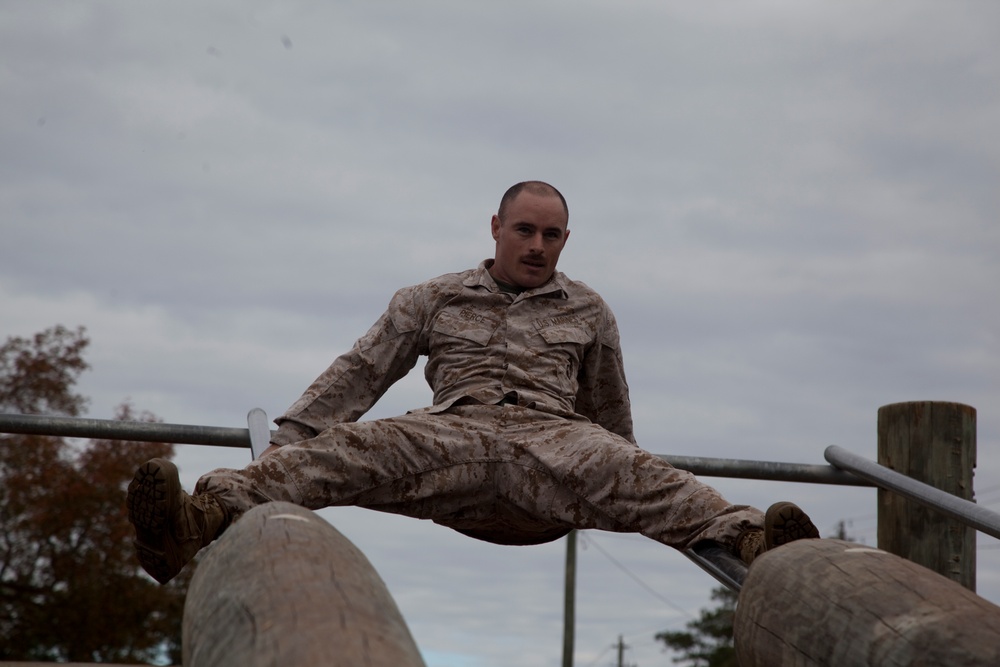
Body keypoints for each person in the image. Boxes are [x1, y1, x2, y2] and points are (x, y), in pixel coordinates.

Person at [127, 180, 819, 585]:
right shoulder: (430, 297)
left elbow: (613, 424)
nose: (537, 246)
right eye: (525, 230)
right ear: (495, 228)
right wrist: (285, 442)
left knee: (654, 477)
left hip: (555, 446)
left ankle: (757, 542)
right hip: (450, 435)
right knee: (345, 451)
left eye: (552, 235)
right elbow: (360, 373)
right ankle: (190, 522)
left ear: (566, 241)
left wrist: (616, 481)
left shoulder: (590, 310)